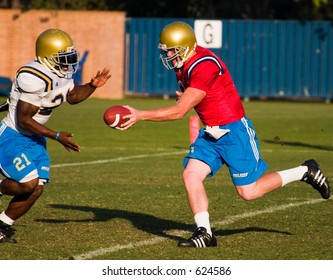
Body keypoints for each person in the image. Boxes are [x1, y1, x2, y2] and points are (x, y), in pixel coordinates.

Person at [119, 21, 330, 248]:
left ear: (187, 46)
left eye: (173, 50)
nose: (169, 55)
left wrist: (140, 115)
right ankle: (205, 233)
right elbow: (199, 97)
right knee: (191, 174)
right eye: (167, 50)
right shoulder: (183, 64)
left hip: (233, 131)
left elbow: (180, 111)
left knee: (249, 192)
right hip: (210, 133)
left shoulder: (204, 64)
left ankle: (305, 171)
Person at [0, 29, 111, 243]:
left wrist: (91, 86)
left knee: (36, 189)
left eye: (69, 57)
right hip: (13, 136)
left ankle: (2, 224)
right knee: (27, 184)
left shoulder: (61, 73)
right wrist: (57, 135)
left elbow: (71, 96)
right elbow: (24, 120)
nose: (67, 63)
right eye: (62, 58)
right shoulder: (33, 76)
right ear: (46, 56)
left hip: (34, 138)